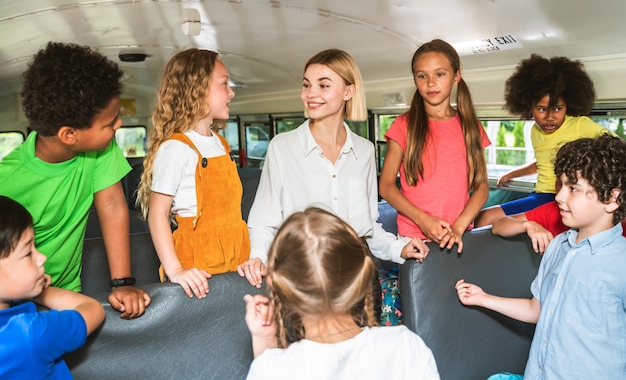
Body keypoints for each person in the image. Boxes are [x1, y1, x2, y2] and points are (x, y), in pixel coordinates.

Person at [238, 49, 428, 288]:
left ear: (348, 91)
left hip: (356, 276)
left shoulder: (365, 151)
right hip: (302, 276)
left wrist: (400, 248)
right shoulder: (282, 147)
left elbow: (368, 228)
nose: (311, 94)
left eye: (323, 85)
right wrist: (257, 258)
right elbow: (263, 223)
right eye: (306, 85)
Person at [456, 133, 626, 380]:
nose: (559, 196)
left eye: (573, 189)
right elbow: (537, 310)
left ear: (611, 199)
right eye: (561, 186)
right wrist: (482, 298)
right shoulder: (559, 245)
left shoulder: (620, 263)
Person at [0, 42, 150, 319]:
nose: (117, 125)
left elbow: (112, 205)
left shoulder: (99, 148)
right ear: (70, 135)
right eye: (109, 123)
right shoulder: (6, 181)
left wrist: (122, 283)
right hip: (13, 304)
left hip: (68, 294)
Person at [241, 207, 443, 380]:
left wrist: (265, 343)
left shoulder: (271, 369)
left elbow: (271, 377)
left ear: (284, 293)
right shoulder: (404, 345)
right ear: (361, 281)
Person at [136, 49, 249, 299]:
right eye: (223, 84)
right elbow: (157, 214)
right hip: (198, 263)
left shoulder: (221, 144)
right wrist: (176, 270)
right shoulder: (176, 148)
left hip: (235, 255)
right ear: (196, 89)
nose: (231, 92)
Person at [379, 39, 490, 253]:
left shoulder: (472, 128)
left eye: (440, 74)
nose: (431, 82)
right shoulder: (403, 126)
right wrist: (423, 220)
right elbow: (386, 186)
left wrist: (458, 227)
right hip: (413, 237)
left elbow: (482, 187)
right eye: (422, 75)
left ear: (456, 76)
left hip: (460, 235)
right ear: (415, 79)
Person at [476, 54, 609, 227]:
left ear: (568, 105)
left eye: (558, 109)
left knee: (487, 219)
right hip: (540, 195)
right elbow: (542, 163)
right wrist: (513, 174)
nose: (550, 117)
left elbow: (613, 151)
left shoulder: (580, 125)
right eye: (542, 109)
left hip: (565, 195)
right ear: (528, 106)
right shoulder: (535, 132)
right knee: (482, 218)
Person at [0, 195, 105, 380]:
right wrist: (38, 292)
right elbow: (93, 309)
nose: (41, 257)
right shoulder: (31, 333)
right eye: (28, 252)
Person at [491, 200, 626, 254]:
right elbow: (498, 225)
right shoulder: (555, 211)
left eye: (573, 189)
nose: (560, 196)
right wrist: (528, 224)